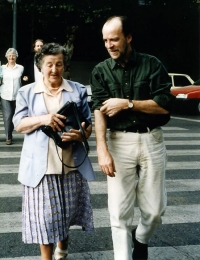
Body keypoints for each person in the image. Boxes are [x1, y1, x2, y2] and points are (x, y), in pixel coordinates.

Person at [90, 16, 175, 260]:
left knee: (155, 211)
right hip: (119, 143)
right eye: (105, 40)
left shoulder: (152, 65)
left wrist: (127, 104)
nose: (109, 45)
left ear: (128, 38)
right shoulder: (101, 71)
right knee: (118, 213)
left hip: (152, 140)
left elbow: (164, 106)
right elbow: (99, 111)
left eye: (114, 39)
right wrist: (102, 149)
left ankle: (141, 238)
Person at [13, 43, 95, 260]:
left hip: (70, 164)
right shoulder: (27, 92)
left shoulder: (77, 90)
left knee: (65, 214)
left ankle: (63, 248)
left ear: (64, 65)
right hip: (41, 166)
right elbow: (18, 124)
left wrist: (81, 135)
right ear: (40, 66)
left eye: (59, 64)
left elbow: (87, 125)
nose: (54, 69)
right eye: (49, 64)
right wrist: (44, 119)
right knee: (46, 218)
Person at [1, 48, 24, 145]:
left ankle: (10, 131)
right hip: (5, 95)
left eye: (13, 55)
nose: (11, 57)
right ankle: (8, 137)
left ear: (16, 57)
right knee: (8, 116)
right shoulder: (2, 68)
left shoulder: (21, 68)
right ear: (6, 57)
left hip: (17, 95)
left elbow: (23, 79)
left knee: (14, 116)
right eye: (9, 55)